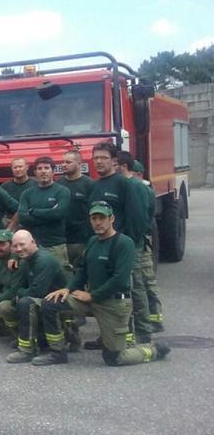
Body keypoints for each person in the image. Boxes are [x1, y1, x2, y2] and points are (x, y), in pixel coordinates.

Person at [34, 203, 170, 366]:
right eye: (94, 218)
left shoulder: (124, 243)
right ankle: (57, 352)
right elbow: (83, 271)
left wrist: (92, 295)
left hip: (113, 304)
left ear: (111, 219)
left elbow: (120, 279)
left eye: (102, 218)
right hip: (90, 300)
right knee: (50, 304)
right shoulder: (92, 241)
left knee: (114, 358)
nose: (97, 222)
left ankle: (154, 350)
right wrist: (68, 289)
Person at [84, 144, 144, 349]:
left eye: (103, 157)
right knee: (103, 293)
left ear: (113, 161)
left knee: (128, 292)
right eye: (95, 158)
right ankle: (107, 336)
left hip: (122, 248)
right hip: (102, 247)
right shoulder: (94, 186)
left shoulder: (124, 184)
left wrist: (131, 244)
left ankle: (134, 337)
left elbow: (136, 216)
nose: (99, 161)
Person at [3, 230, 69, 363]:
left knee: (25, 302)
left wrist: (20, 293)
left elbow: (36, 292)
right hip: (43, 300)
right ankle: (34, 339)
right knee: (5, 306)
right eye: (15, 246)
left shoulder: (43, 260)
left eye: (22, 244)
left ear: (33, 242)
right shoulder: (26, 259)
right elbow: (17, 287)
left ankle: (29, 350)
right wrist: (18, 294)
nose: (19, 249)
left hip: (60, 303)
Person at [116, 151, 157, 344]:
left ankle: (144, 330)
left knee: (138, 286)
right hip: (126, 242)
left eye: (115, 163)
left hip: (133, 244)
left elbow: (140, 218)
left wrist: (132, 242)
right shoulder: (125, 185)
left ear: (123, 166)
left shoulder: (135, 186)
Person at [17, 156, 71, 271]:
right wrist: (49, 214)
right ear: (35, 172)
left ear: (53, 171)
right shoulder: (27, 194)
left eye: (46, 168)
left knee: (60, 283)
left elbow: (59, 214)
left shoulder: (62, 191)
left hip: (56, 246)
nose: (43, 171)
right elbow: (22, 218)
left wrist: (33, 211)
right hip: (32, 247)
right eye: (39, 168)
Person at [131, 160, 164, 332]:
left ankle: (153, 320)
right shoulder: (145, 189)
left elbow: (147, 216)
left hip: (142, 242)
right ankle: (154, 318)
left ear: (138, 174)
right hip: (144, 239)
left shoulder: (142, 189)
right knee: (147, 281)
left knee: (145, 281)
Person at [57, 150, 94, 269]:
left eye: (68, 162)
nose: (64, 164)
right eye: (63, 162)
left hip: (82, 240)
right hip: (62, 240)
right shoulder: (58, 184)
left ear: (79, 164)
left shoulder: (89, 185)